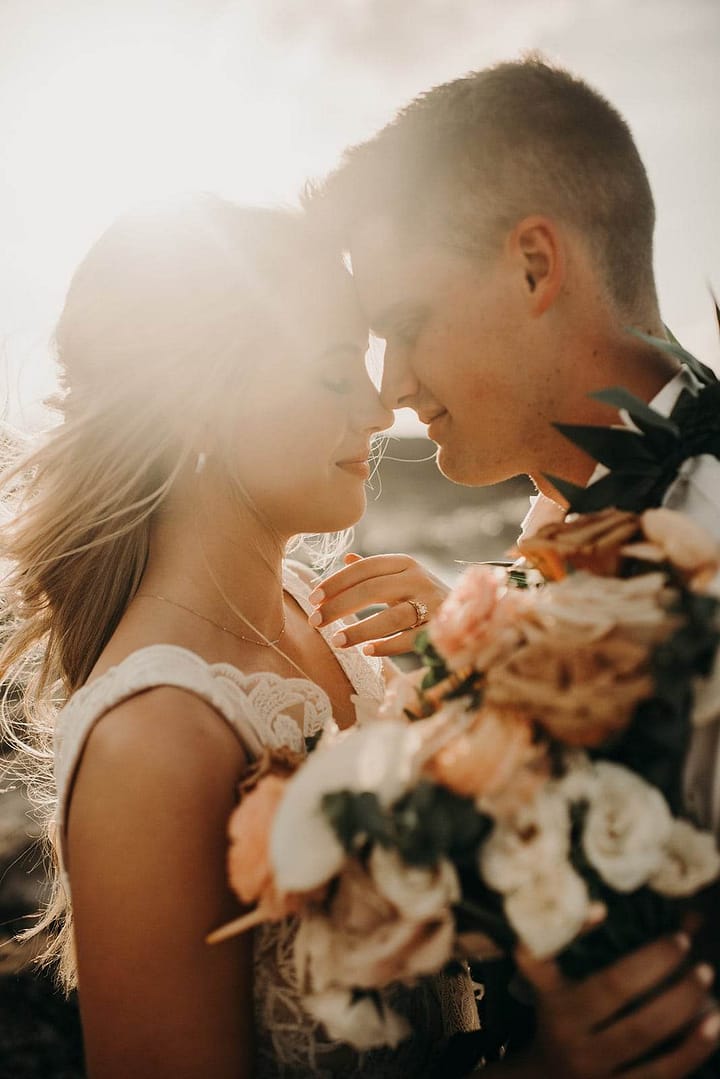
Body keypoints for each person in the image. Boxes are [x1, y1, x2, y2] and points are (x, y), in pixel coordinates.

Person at [303, 57, 720, 1077]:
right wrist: (473, 646)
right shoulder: (571, 518)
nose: (391, 390)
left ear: (536, 265)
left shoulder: (707, 533)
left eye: (406, 326)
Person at [0, 195, 481, 1079]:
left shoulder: (328, 622)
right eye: (336, 373)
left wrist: (472, 676)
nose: (380, 410)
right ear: (197, 404)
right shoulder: (153, 742)